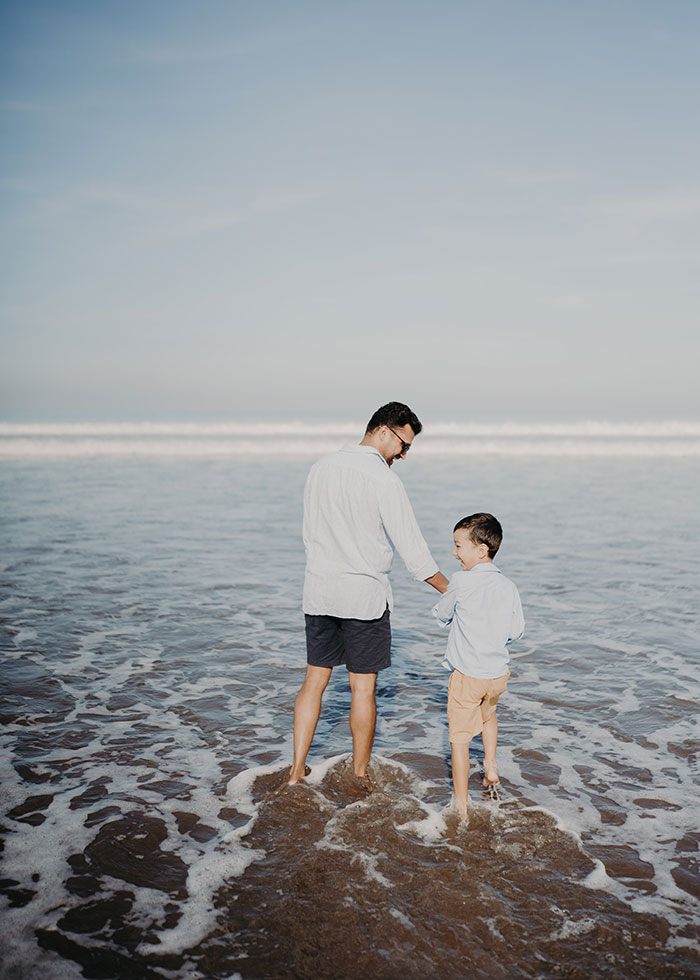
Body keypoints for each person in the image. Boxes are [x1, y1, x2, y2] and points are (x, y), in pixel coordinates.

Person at [287, 402, 449, 786]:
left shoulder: (320, 467)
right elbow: (415, 554)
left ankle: (295, 771)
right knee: (363, 688)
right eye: (403, 444)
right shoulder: (383, 480)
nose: (404, 455)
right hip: (363, 597)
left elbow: (309, 535)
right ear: (382, 431)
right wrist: (457, 588)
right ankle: (360, 774)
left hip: (320, 592)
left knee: (314, 681)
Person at [432, 513, 524, 821]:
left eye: (458, 546)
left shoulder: (461, 581)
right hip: (497, 674)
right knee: (489, 717)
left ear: (481, 550)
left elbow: (443, 615)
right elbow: (516, 631)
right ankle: (491, 766)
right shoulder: (509, 586)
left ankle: (461, 807)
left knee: (458, 740)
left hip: (468, 675)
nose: (454, 553)